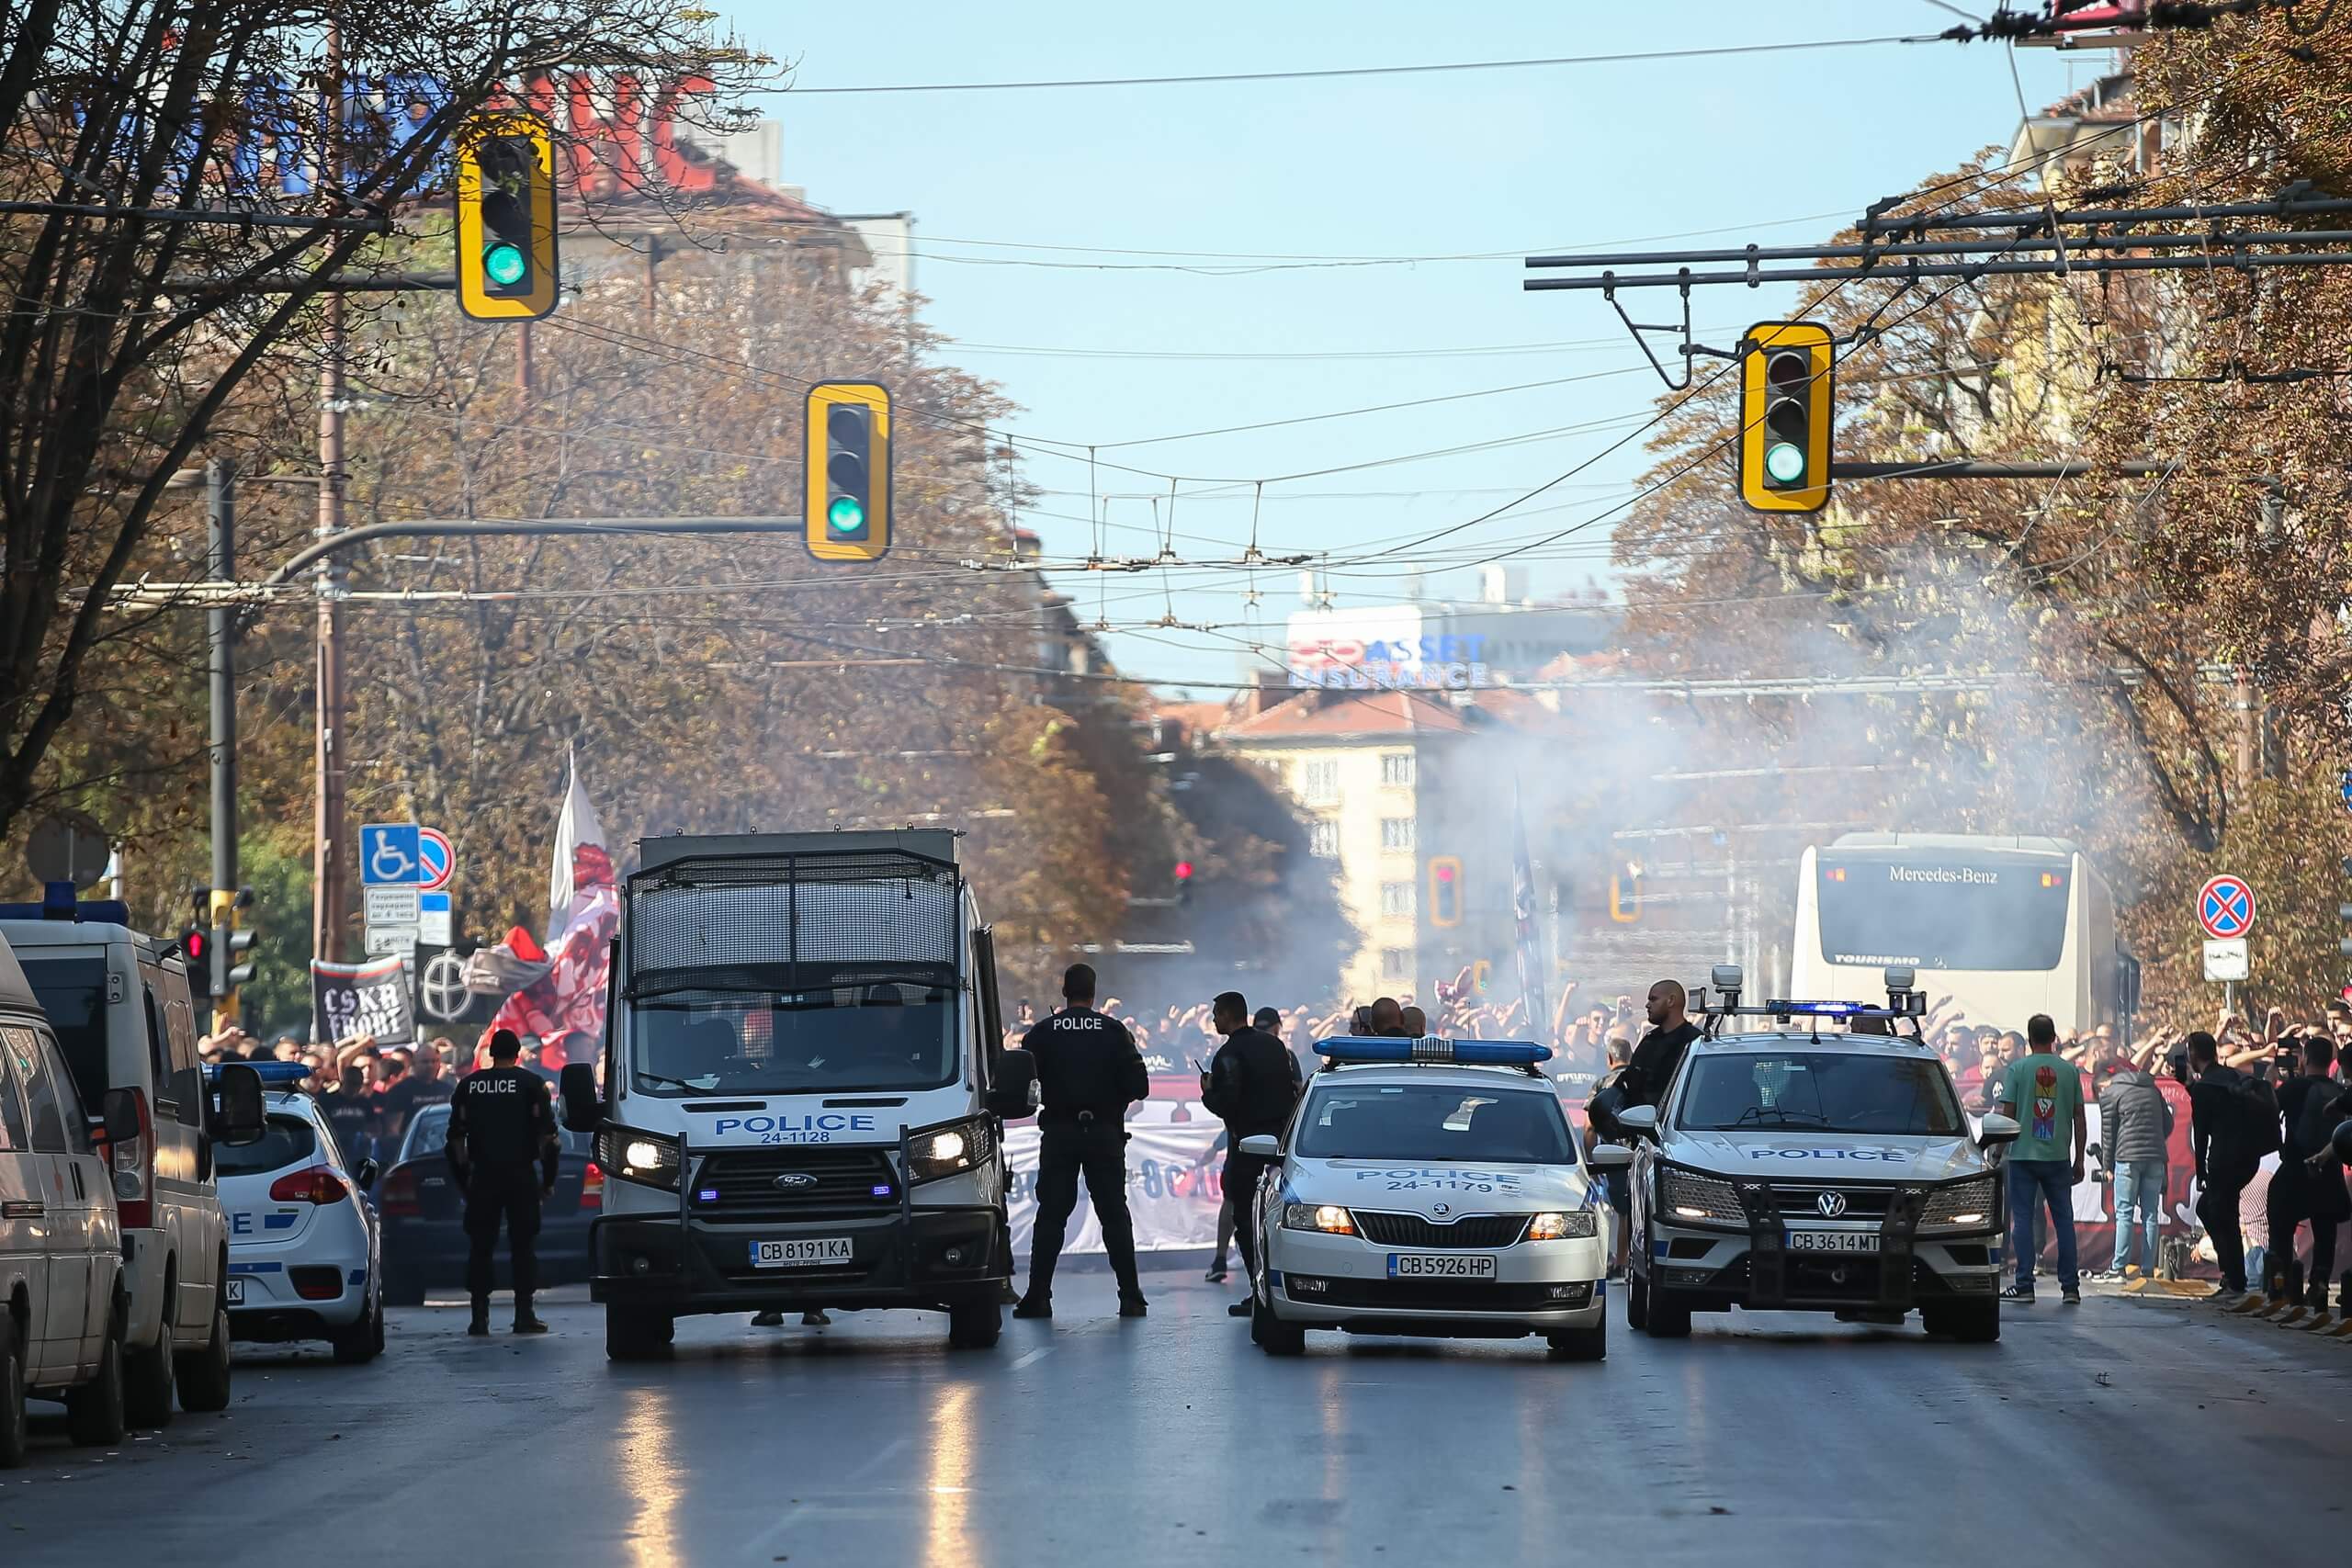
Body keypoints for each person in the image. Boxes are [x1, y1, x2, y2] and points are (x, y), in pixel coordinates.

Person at [1015, 964, 1150, 1320]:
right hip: (1105, 1133)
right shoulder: (1114, 1031)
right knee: (1114, 1216)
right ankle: (1131, 1297)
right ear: (1093, 993)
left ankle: (1038, 1296)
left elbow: (1020, 1087)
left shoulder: (1042, 1033)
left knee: (1050, 1216)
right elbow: (1140, 1087)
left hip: (1059, 1133)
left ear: (1064, 991)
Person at [446, 1028, 560, 1336]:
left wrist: (464, 1182)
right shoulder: (531, 1084)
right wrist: (548, 1181)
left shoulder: (469, 1086)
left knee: (480, 1247)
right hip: (521, 1175)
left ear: (490, 1054)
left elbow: (455, 1141)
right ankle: (524, 1313)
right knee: (523, 1245)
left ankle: (478, 1317)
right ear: (518, 1053)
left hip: (483, 1177)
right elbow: (549, 1140)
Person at [1201, 990, 1297, 1319]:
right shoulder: (1275, 1047)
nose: (1214, 1020)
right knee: (1276, 1219)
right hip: (1281, 1148)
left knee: (1244, 1219)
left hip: (1246, 1147)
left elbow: (1226, 1103)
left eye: (1216, 1014)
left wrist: (1207, 1091)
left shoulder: (1228, 1054)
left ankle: (1259, 1291)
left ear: (1229, 1015)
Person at [1996, 1013, 2086, 1304]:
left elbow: (2007, 1113)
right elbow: (2079, 1117)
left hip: (2022, 1156)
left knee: (2021, 1219)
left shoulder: (2018, 1069)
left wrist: (1998, 1150)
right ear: (2054, 1038)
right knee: (2063, 1221)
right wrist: (2079, 1159)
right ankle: (2070, 1287)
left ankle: (2024, 1285)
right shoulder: (2069, 1071)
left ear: (2030, 1038)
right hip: (2058, 1157)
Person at [2265, 1036, 2349, 1319]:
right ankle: (2320, 1283)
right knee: (2324, 1228)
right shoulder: (2338, 1090)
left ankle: (2282, 1279)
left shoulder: (2293, 1087)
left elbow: (2269, 1114)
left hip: (2295, 1168)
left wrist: (2269, 1083)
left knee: (2280, 1221)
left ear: (2304, 1058)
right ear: (2330, 1060)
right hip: (2329, 1168)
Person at [2182, 1030, 2261, 1303]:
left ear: (2193, 1053)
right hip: (2247, 1157)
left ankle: (2233, 1279)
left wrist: (2201, 1171)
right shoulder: (2231, 1077)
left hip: (2224, 1158)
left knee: (2219, 1212)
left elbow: (2201, 1134)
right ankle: (2233, 1276)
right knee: (2218, 1211)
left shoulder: (2205, 1087)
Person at [2097, 1045, 2172, 1279]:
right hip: (2156, 1157)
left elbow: (2108, 1135)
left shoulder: (2111, 1094)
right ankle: (2148, 1270)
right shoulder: (2152, 1089)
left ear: (2106, 1081)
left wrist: (2106, 1167)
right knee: (2150, 1213)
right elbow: (2167, 1124)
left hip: (2127, 1158)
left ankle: (2118, 1267)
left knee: (2125, 1213)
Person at [1623, 979, 1700, 1110]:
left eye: (1653, 999)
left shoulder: (1695, 1042)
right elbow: (1628, 1082)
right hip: (1640, 1122)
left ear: (1671, 1001)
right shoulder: (1649, 1042)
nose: (1647, 1005)